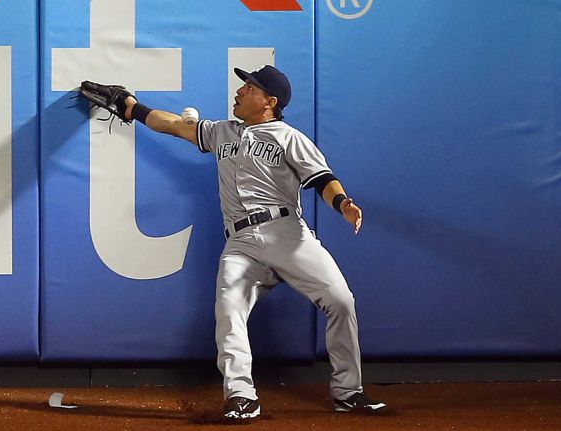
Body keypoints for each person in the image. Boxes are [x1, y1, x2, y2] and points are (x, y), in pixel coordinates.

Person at [96, 65, 386, 420]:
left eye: (249, 87)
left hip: (288, 234)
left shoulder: (288, 137)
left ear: (270, 101)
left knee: (341, 300)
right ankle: (241, 395)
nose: (239, 91)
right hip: (241, 242)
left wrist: (342, 203)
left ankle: (348, 391)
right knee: (229, 310)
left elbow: (323, 179)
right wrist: (130, 106)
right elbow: (171, 124)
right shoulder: (222, 132)